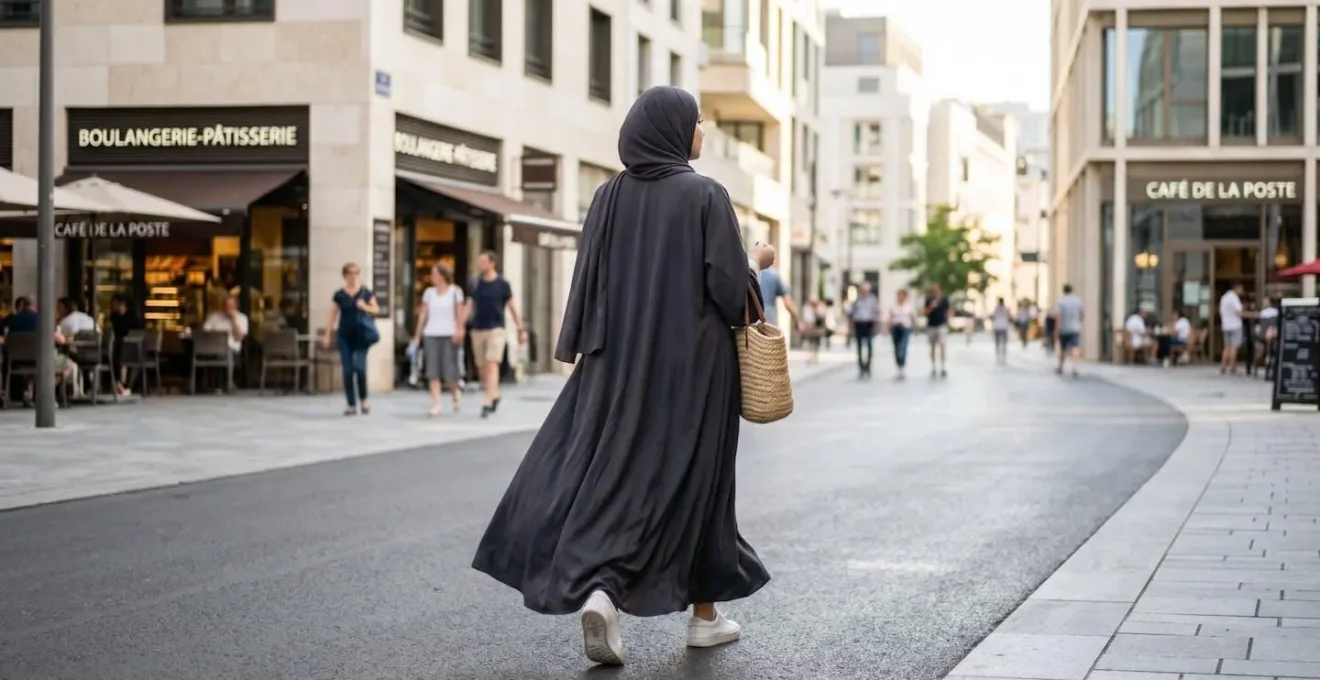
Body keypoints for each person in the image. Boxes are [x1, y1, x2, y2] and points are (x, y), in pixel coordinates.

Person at [471, 86, 772, 666]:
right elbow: (731, 292)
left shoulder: (608, 196)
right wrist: (756, 259)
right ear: (674, 130)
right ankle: (697, 615)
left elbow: (588, 282)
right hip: (694, 373)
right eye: (698, 122)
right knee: (699, 482)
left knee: (615, 478)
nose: (703, 131)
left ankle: (613, 592)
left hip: (618, 366)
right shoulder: (707, 195)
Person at [465, 251, 527, 418]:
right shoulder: (476, 283)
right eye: (479, 262)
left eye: (483, 262)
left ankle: (487, 401)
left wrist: (520, 328)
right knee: (481, 366)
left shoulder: (502, 284)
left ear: (492, 263)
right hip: (478, 329)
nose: (480, 265)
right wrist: (459, 326)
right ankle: (495, 395)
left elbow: (512, 307)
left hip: (496, 329)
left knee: (492, 363)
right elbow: (469, 305)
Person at [322, 263, 379, 416]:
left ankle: (364, 399)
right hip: (345, 336)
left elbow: (376, 310)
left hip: (362, 337)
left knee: (359, 369)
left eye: (356, 273)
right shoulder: (339, 294)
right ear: (345, 276)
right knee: (348, 370)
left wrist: (364, 307)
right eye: (350, 273)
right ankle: (351, 404)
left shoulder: (366, 292)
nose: (353, 276)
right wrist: (327, 334)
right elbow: (332, 314)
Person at [413, 263, 466, 417]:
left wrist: (459, 329)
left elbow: (460, 313)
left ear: (443, 276)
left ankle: (455, 393)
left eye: (435, 274)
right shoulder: (429, 293)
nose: (432, 277)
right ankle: (436, 403)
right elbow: (423, 315)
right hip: (431, 333)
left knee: (450, 370)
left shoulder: (455, 291)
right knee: (432, 370)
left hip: (449, 333)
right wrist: (417, 335)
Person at [108, 294, 143, 395]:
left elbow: (138, 332)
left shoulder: (133, 316)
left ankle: (123, 384)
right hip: (118, 344)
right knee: (116, 354)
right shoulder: (114, 316)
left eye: (114, 304)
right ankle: (119, 383)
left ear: (121, 304)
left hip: (133, 346)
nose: (112, 306)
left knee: (121, 356)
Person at [757, 263, 803, 335]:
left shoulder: (747, 272)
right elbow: (788, 302)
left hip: (751, 324)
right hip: (768, 321)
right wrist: (797, 320)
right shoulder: (774, 275)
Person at [849, 282, 880, 379]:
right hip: (859, 324)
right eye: (862, 289)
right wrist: (851, 326)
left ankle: (868, 367)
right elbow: (852, 313)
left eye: (866, 290)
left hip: (869, 324)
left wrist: (877, 325)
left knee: (869, 347)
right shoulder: (857, 300)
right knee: (859, 348)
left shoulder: (873, 299)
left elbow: (876, 312)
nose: (864, 291)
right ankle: (861, 368)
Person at [1054, 283, 1084, 377]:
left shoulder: (1061, 301)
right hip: (1075, 327)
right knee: (1075, 347)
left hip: (1064, 328)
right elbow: (1082, 314)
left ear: (1063, 291)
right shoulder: (1078, 300)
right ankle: (1075, 367)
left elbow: (1058, 316)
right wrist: (1078, 322)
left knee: (1063, 348)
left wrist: (1057, 329)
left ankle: (1060, 366)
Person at [1219, 281, 1247, 375]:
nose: (1242, 291)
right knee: (1234, 347)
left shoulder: (1224, 297)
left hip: (1226, 324)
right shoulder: (1234, 298)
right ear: (1237, 288)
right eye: (1241, 289)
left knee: (1226, 347)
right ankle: (1232, 366)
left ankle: (1223, 366)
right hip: (1235, 325)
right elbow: (1238, 312)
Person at [887, 288, 915, 379]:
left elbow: (912, 317)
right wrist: (888, 327)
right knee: (896, 347)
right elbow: (890, 317)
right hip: (895, 327)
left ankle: (902, 365)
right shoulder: (894, 306)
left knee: (902, 347)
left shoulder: (908, 306)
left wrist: (914, 327)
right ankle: (899, 366)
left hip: (905, 328)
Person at [924, 283, 950, 377]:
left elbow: (948, 310)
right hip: (931, 325)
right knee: (932, 347)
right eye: (933, 290)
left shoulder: (944, 299)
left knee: (942, 346)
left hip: (941, 325)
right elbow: (925, 312)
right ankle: (933, 366)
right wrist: (931, 307)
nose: (935, 291)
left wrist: (948, 320)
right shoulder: (929, 300)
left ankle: (943, 367)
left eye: (936, 290)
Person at [991, 297, 1011, 364]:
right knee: (1004, 341)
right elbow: (1008, 317)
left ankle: (998, 352)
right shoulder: (1006, 309)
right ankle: (1003, 353)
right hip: (1004, 326)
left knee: (997, 341)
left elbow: (993, 316)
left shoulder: (996, 308)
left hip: (997, 326)